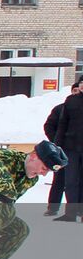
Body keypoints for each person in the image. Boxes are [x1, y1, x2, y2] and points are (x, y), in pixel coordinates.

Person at [47, 77, 83, 222]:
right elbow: (62, 124)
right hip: (71, 147)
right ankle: (71, 213)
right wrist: (57, 145)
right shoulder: (71, 101)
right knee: (71, 181)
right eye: (81, 84)